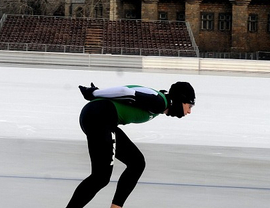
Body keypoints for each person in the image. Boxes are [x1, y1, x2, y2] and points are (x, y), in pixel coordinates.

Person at [66, 81, 195, 208]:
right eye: (189, 106)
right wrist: (94, 93)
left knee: (137, 163)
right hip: (100, 117)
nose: (189, 112)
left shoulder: (159, 100)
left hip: (100, 117)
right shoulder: (159, 102)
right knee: (100, 177)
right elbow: (125, 92)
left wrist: (97, 94)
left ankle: (116, 206)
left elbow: (125, 91)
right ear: (181, 100)